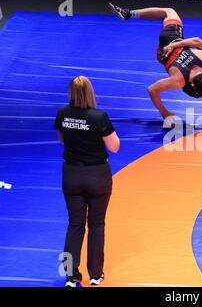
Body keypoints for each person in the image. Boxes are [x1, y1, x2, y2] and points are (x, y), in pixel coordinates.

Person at [108, 4, 202, 126]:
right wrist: (165, 114)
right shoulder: (178, 81)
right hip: (161, 55)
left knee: (168, 11)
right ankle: (128, 14)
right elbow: (152, 89)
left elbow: (198, 41)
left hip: (171, 39)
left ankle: (129, 13)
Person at [55, 76, 120, 287]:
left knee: (74, 225)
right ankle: (95, 275)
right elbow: (114, 147)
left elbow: (62, 139)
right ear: (91, 92)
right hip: (97, 175)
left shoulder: (63, 114)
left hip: (72, 174)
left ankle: (70, 275)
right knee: (96, 224)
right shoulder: (99, 117)